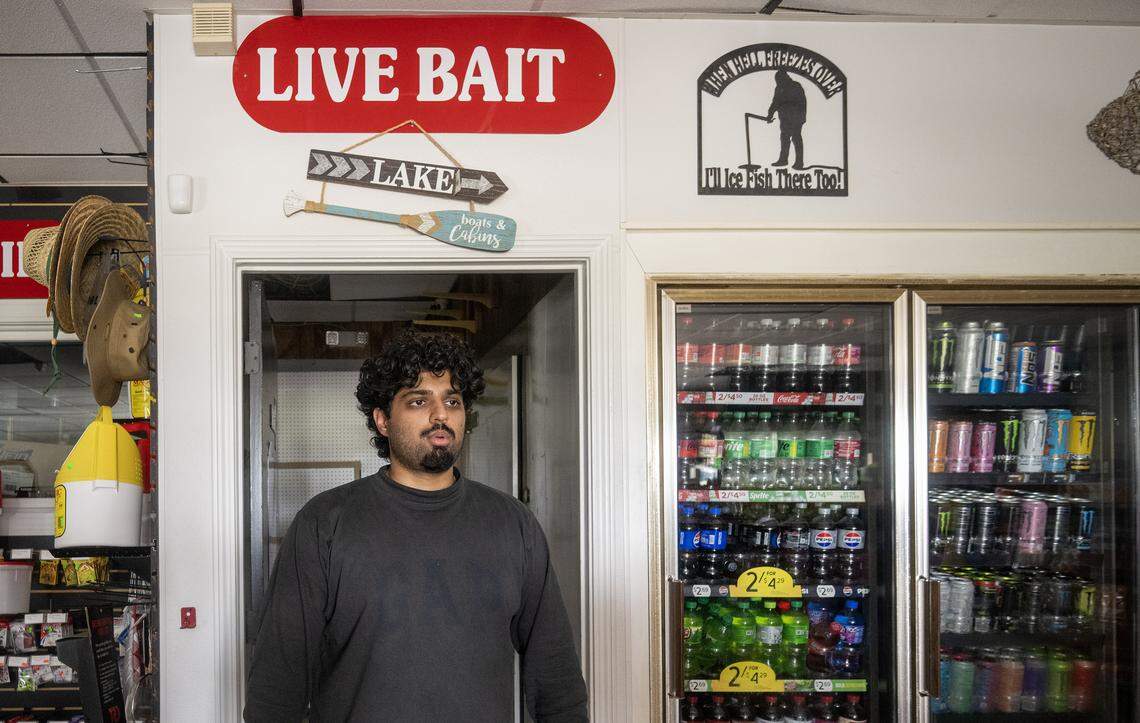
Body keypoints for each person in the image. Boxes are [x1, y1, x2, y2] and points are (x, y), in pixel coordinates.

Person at [244, 329, 588, 722]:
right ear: (383, 420)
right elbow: (276, 688)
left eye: (453, 401)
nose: (440, 415)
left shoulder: (514, 525)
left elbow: (557, 683)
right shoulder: (324, 524)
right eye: (418, 400)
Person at [766, 69, 808, 169]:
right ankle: (783, 159)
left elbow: (801, 103)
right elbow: (775, 102)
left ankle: (799, 162)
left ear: (785, 78)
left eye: (779, 80)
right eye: (777, 81)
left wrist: (799, 118)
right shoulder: (779, 88)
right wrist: (770, 114)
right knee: (784, 138)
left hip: (796, 118)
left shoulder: (795, 86)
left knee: (796, 138)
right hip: (784, 118)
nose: (778, 82)